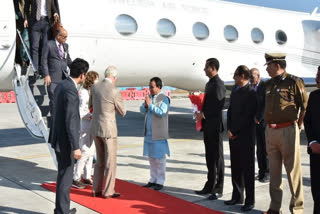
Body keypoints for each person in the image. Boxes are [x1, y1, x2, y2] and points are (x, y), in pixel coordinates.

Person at [262, 53, 308, 214]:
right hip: (271, 131)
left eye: (269, 65)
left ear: (277, 65)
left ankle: (297, 208)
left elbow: (304, 107)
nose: (267, 68)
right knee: (274, 173)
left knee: (293, 172)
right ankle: (275, 208)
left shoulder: (294, 82)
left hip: (288, 130)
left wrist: (299, 126)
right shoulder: (267, 84)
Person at [49, 58, 89, 214]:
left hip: (58, 138)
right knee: (66, 178)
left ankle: (61, 209)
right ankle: (62, 212)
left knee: (62, 176)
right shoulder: (71, 90)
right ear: (82, 74)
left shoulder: (61, 85)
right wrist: (75, 147)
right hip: (66, 142)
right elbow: (71, 120)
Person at [89, 66, 126, 198]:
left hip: (95, 127)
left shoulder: (94, 87)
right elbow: (122, 112)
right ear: (114, 77)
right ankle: (108, 191)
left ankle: (96, 190)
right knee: (110, 162)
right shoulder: (115, 90)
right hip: (109, 130)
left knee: (99, 161)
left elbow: (90, 106)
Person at [224, 65, 257, 212]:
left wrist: (235, 130)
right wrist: (229, 129)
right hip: (234, 135)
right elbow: (230, 112)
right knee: (236, 167)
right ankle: (237, 195)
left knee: (247, 170)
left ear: (243, 76)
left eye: (236, 75)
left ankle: (250, 200)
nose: (233, 78)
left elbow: (247, 116)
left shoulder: (251, 93)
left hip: (245, 136)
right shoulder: (235, 92)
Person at [194, 58, 226, 200]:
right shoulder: (209, 84)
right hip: (207, 126)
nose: (204, 69)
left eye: (206, 67)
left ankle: (218, 188)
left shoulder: (218, 84)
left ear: (213, 68)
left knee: (217, 158)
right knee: (209, 157)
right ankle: (210, 184)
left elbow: (219, 106)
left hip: (215, 126)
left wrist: (204, 114)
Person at [140, 77, 170, 191]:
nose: (150, 89)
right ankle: (153, 179)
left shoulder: (163, 98)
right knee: (151, 158)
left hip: (158, 133)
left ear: (159, 87)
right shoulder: (150, 98)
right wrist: (146, 105)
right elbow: (142, 110)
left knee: (159, 158)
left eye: (152, 87)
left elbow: (162, 112)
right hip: (149, 133)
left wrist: (150, 105)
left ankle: (160, 181)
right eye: (149, 87)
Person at [72, 71, 99, 189]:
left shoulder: (92, 92)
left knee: (91, 151)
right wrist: (92, 115)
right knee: (84, 152)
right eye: (96, 80)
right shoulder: (83, 93)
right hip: (84, 125)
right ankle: (76, 177)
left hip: (92, 124)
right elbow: (81, 111)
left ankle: (87, 175)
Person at [24, 0, 59, 76]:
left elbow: (53, 7)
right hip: (35, 22)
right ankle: (35, 70)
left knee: (45, 47)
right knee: (34, 47)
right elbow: (26, 7)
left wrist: (55, 13)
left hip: (47, 22)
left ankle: (44, 70)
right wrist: (26, 19)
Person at [42, 27, 72, 115]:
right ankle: (54, 121)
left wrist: (77, 69)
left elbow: (68, 60)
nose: (66, 39)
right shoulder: (49, 44)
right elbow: (44, 60)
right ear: (58, 36)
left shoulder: (65, 46)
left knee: (63, 101)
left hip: (64, 77)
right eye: (64, 37)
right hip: (53, 78)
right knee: (54, 100)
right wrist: (46, 75)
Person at [304, 66, 320, 214]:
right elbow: (307, 121)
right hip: (316, 153)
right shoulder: (314, 96)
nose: (316, 78)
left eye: (319, 76)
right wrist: (313, 142)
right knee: (317, 192)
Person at [249, 68, 269, 183]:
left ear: (258, 76)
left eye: (252, 77)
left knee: (265, 149)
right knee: (259, 149)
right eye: (250, 77)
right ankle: (261, 172)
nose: (251, 79)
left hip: (263, 122)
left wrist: (259, 117)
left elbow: (265, 104)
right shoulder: (251, 87)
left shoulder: (264, 86)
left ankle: (267, 173)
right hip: (255, 122)